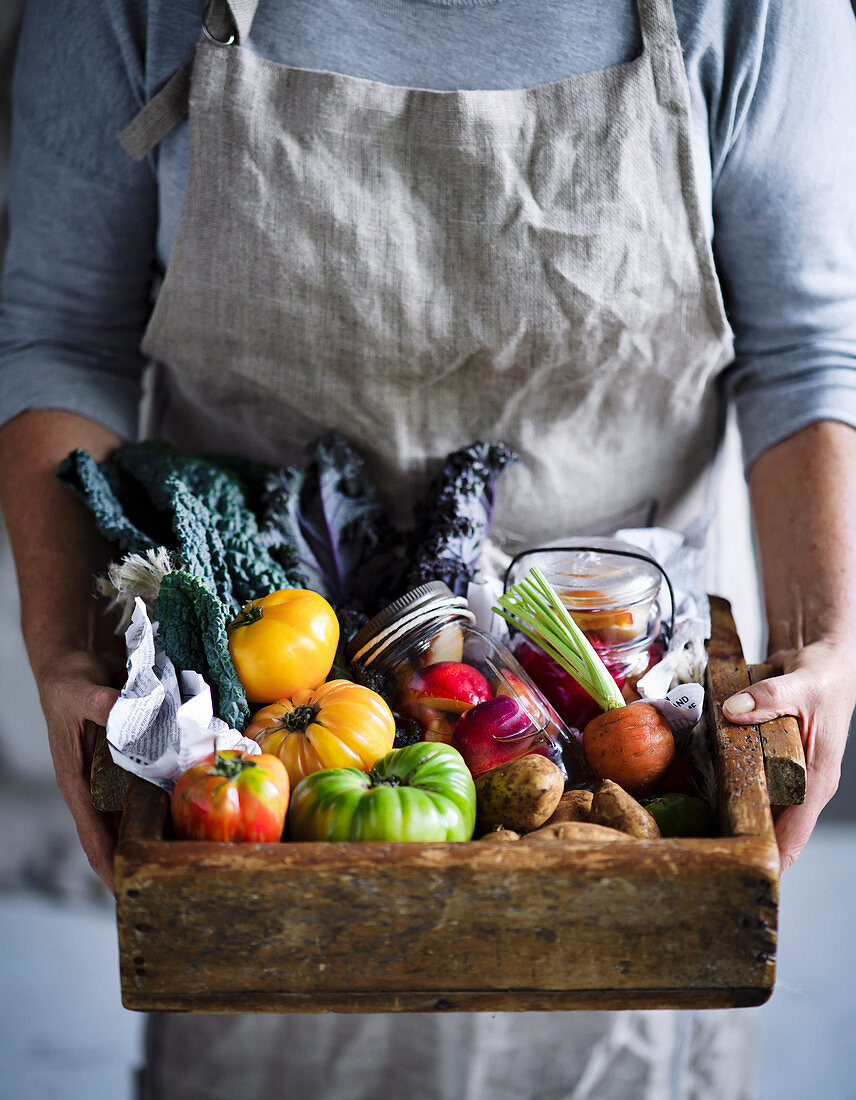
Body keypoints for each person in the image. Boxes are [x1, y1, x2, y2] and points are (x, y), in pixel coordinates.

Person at [1, 0, 855, 1096]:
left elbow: (803, 346)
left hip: (611, 691)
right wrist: (65, 646)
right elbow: (61, 332)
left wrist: (827, 637)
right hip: (256, 743)